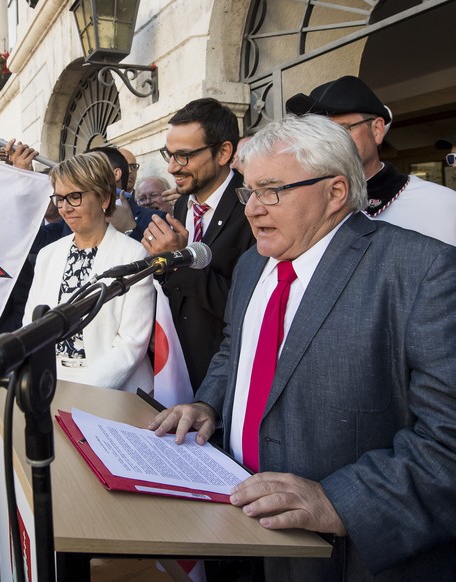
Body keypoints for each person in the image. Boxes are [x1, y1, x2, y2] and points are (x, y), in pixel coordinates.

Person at [150, 114, 456, 580]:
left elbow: (447, 442)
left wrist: (339, 501)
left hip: (341, 554)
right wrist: (209, 403)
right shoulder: (254, 263)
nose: (252, 209)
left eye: (272, 190)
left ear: (335, 192)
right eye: (248, 191)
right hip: (235, 525)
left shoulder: (422, 271)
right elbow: (235, 349)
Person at [143, 97, 256, 391]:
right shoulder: (181, 205)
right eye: (169, 155)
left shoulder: (254, 208)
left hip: (225, 381)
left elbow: (245, 309)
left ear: (223, 152)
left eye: (183, 156)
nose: (171, 168)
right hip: (177, 370)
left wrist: (178, 261)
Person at [24, 152, 155, 392]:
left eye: (74, 197)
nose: (64, 208)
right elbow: (31, 324)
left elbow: (131, 344)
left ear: (104, 198)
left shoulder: (134, 255)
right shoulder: (48, 255)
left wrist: (80, 392)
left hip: (113, 391)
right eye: (59, 198)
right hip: (50, 382)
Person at [286, 75, 456, 246]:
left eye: (343, 129)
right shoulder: (301, 208)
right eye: (319, 134)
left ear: (377, 129)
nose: (330, 141)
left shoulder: (439, 205)